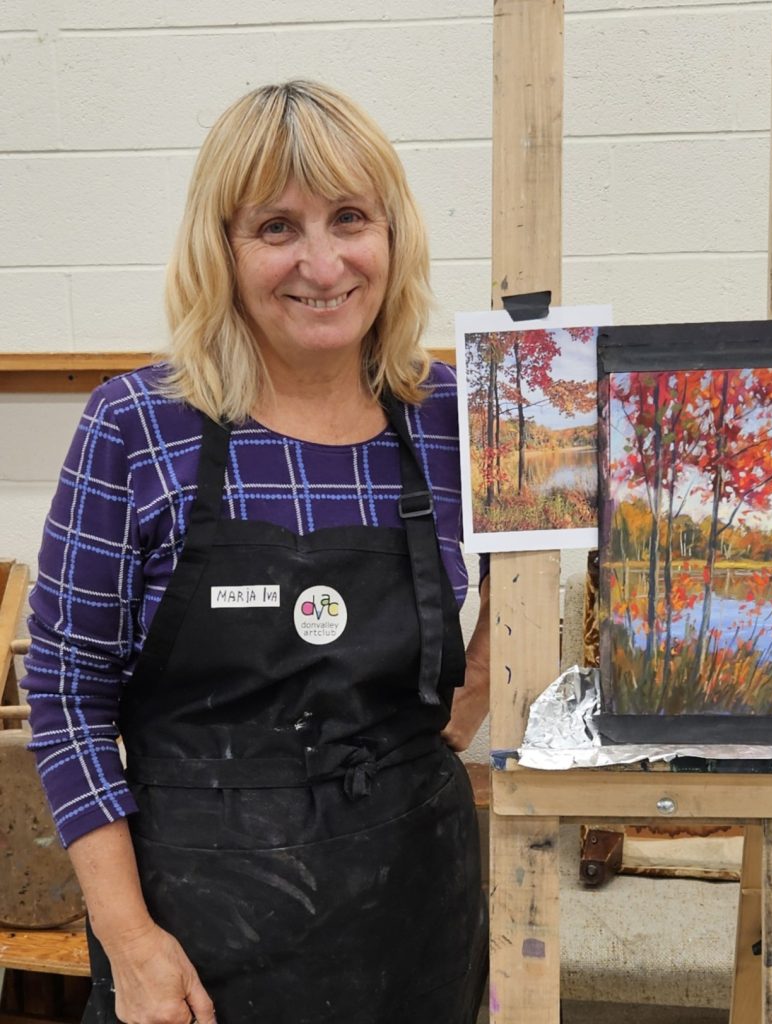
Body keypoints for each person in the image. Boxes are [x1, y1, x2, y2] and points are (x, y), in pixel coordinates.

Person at [23, 80, 490, 1024]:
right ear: (222, 249)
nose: (322, 264)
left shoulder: (450, 418)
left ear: (392, 235)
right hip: (197, 935)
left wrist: (432, 731)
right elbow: (67, 697)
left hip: (415, 911)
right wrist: (130, 941)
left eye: (349, 218)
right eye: (277, 227)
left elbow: (512, 619)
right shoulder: (140, 427)